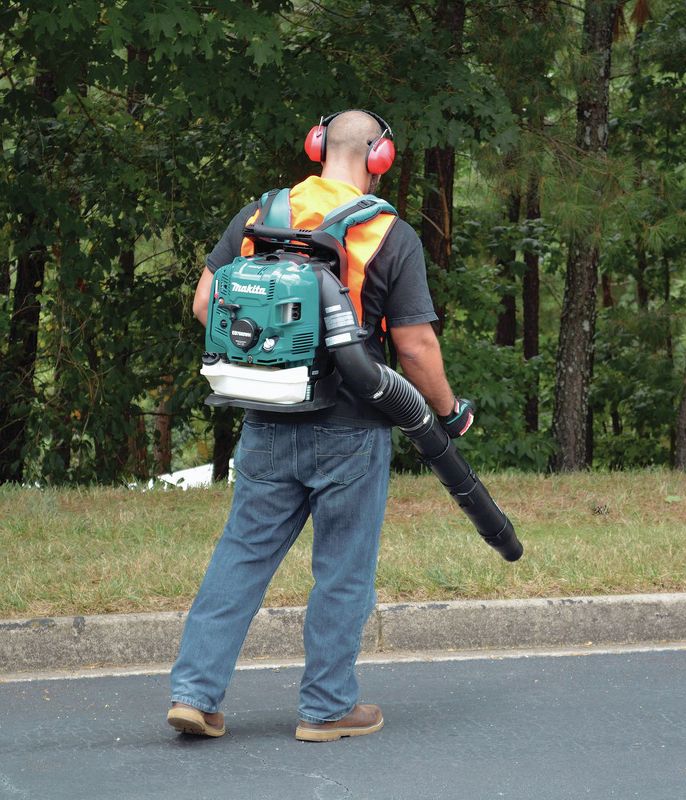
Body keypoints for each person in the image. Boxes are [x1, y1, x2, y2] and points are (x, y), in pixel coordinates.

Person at [167, 109, 473, 742]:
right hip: (353, 428)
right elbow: (414, 347)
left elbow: (205, 304)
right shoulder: (389, 233)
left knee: (241, 557)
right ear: (379, 156)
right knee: (343, 569)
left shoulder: (262, 216)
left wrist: (267, 363)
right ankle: (327, 709)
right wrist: (447, 412)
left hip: (266, 419)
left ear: (317, 147)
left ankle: (195, 695)